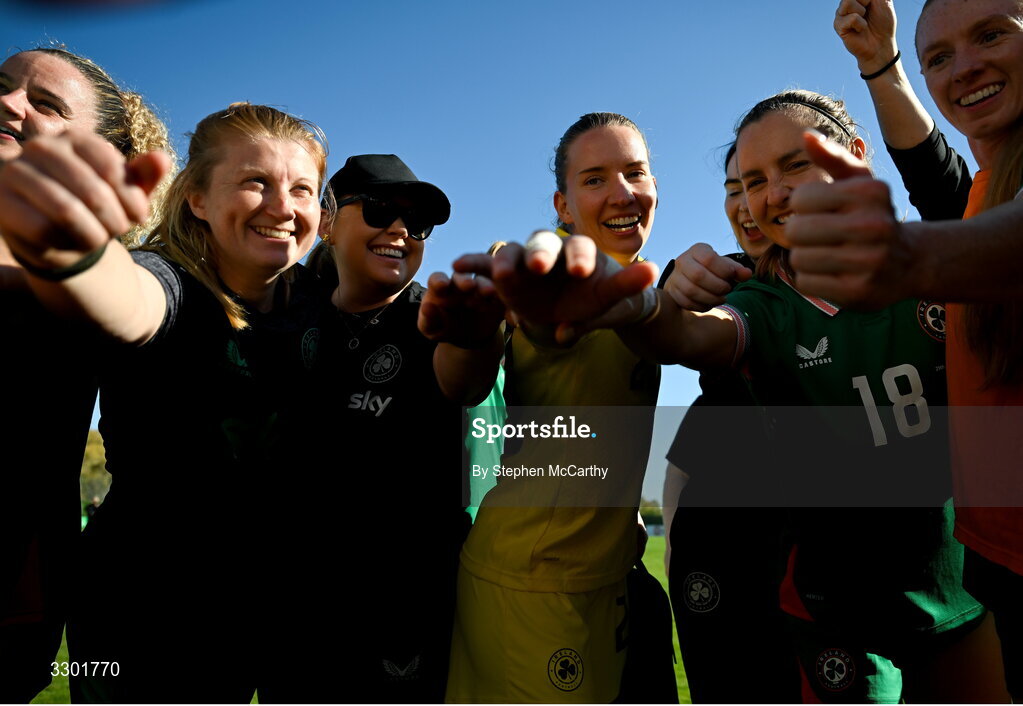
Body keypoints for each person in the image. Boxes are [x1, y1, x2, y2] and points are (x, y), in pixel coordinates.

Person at [464, 91, 1001, 703]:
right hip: (827, 612)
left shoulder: (934, 266)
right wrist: (640, 306)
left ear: (855, 155)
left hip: (956, 594)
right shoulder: (755, 304)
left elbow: (961, 203)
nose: (769, 195)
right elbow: (694, 335)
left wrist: (882, 69)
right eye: (749, 182)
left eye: (794, 165)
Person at [0, 101, 328, 702]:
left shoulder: (316, 295)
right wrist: (75, 258)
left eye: (302, 189)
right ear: (197, 199)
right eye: (255, 182)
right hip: (147, 610)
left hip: (272, 602)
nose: (283, 208)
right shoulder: (167, 276)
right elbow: (130, 299)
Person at [786, 0, 1023, 698]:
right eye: (939, 57)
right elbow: (931, 170)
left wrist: (911, 255)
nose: (965, 67)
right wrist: (880, 63)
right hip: (1000, 567)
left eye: (991, 35)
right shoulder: (985, 187)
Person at [445, 112, 668, 704]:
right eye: (594, 179)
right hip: (532, 581)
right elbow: (544, 324)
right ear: (562, 205)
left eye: (635, 173)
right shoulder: (552, 276)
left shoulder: (640, 288)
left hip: (605, 578)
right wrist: (531, 306)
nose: (622, 193)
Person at [293, 154, 504, 703]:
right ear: (328, 221)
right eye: (382, 209)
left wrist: (479, 334)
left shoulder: (434, 318)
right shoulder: (289, 312)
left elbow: (464, 381)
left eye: (418, 223)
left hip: (406, 619)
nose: (400, 230)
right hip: (298, 616)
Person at [0, 46, 173, 702]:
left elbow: (122, 301)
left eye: (46, 105)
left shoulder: (73, 269)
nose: (11, 104)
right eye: (3, 86)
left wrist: (71, 259)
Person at [660, 143, 799, 704]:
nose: (749, 204)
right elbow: (686, 457)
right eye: (735, 188)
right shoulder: (722, 280)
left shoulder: (868, 283)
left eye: (765, 181)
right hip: (720, 564)